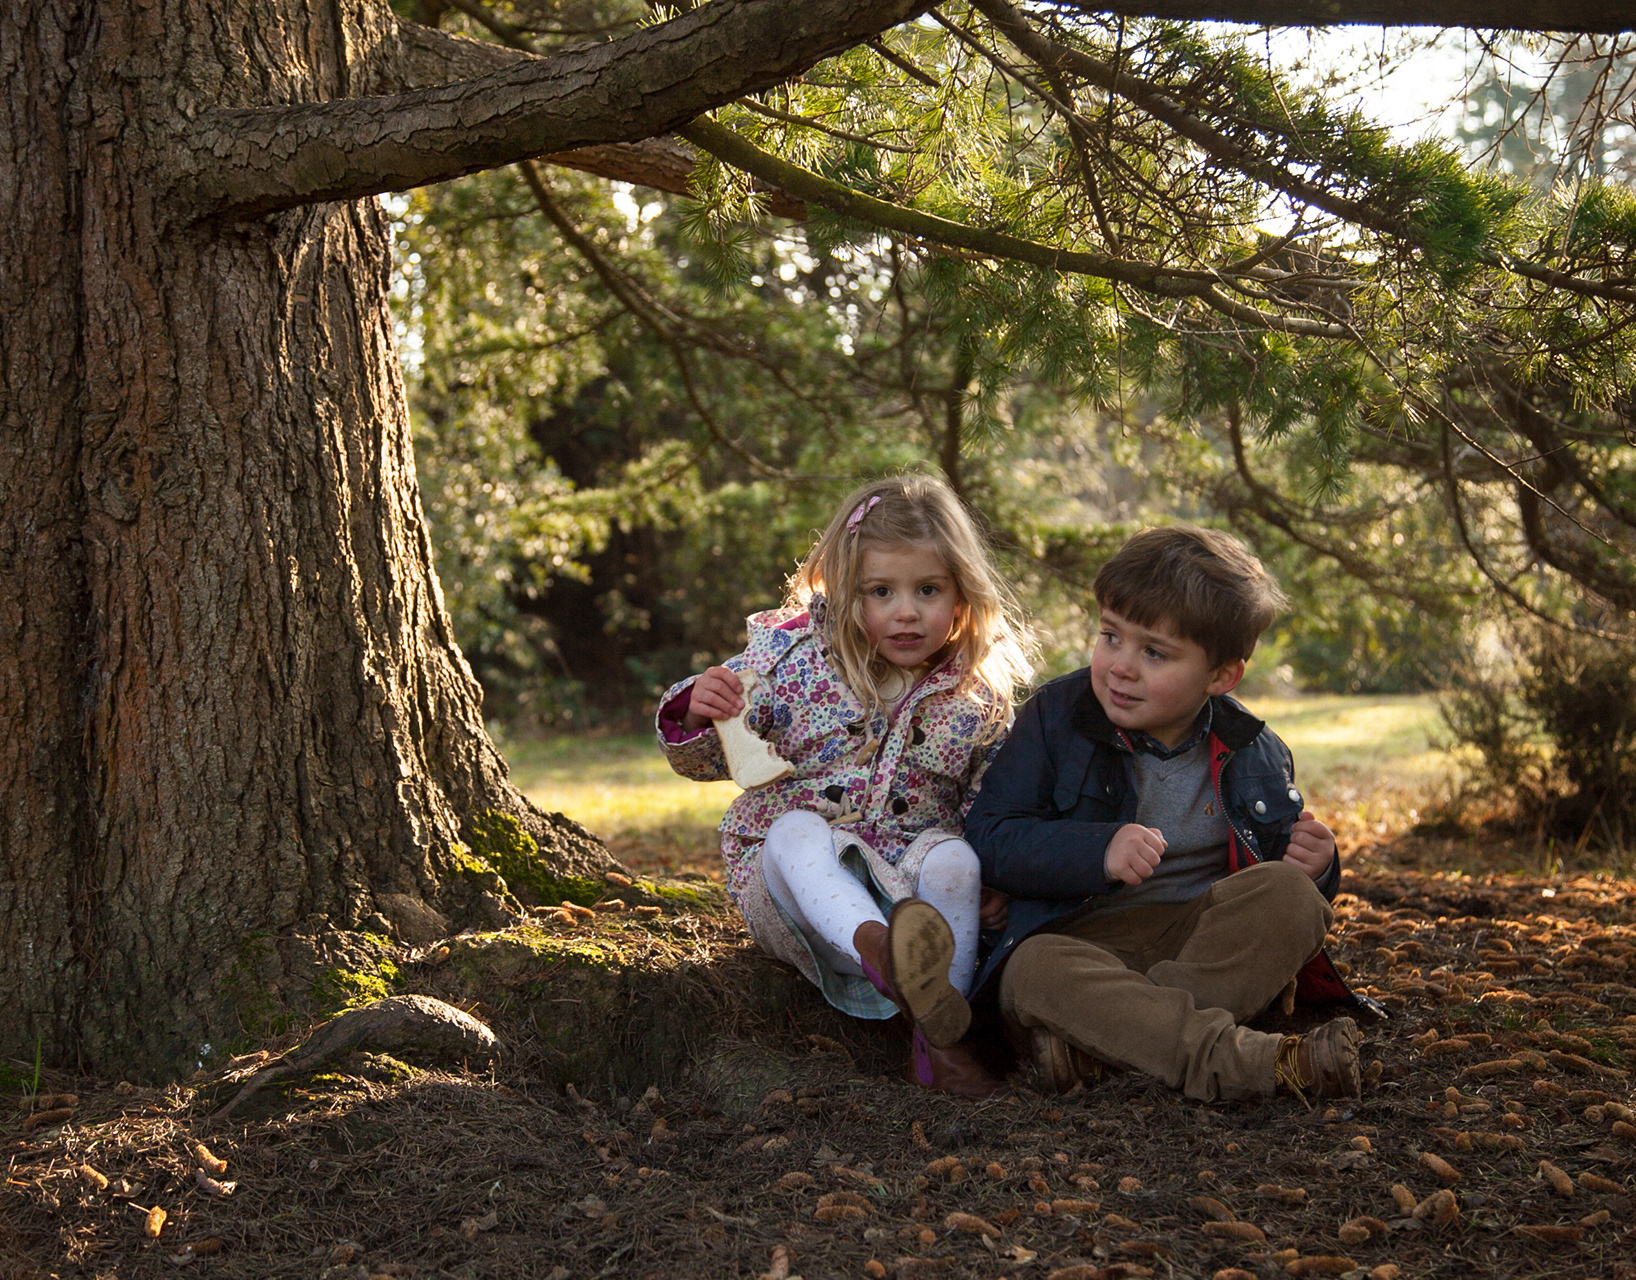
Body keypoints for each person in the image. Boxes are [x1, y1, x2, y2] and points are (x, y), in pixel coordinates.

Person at [656, 475, 1033, 1097]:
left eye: (928, 590)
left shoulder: (977, 697)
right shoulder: (792, 660)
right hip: (799, 896)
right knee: (797, 830)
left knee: (956, 860)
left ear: (962, 593)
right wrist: (698, 710)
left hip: (907, 890)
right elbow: (711, 757)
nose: (906, 611)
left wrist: (997, 881)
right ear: (842, 588)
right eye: (880, 591)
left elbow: (988, 804)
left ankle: (940, 1038)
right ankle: (883, 954)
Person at [965, 525, 1368, 1104]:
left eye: (1154, 652)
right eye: (1110, 636)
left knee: (1293, 897)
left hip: (1198, 943)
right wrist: (1096, 852)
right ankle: (1253, 1063)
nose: (1121, 666)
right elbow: (991, 836)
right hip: (1081, 942)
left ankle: (1111, 1041)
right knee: (1031, 969)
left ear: (1221, 676)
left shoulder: (1254, 747)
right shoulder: (1055, 719)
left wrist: (1319, 865)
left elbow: (1273, 876)